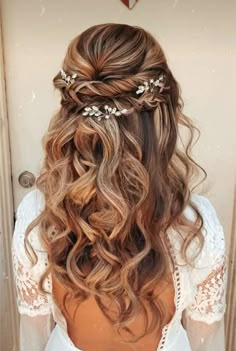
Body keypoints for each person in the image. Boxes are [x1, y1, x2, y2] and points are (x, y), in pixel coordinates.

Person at [11, 23, 227, 351]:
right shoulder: (195, 224)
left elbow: (33, 333)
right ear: (163, 119)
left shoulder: (37, 216)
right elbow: (205, 340)